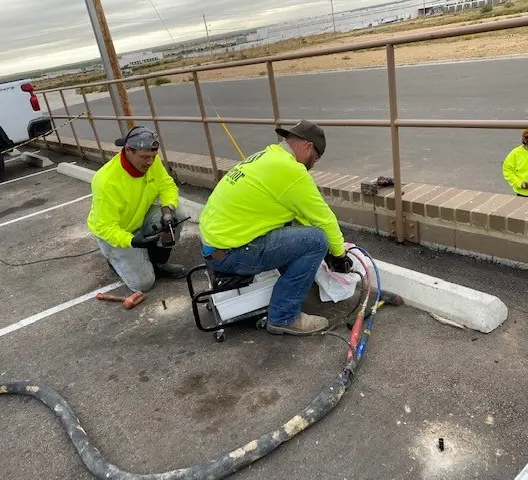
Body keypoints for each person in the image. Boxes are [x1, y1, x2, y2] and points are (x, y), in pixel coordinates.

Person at [198, 120, 353, 336]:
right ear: (308, 146)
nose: (313, 165)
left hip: (214, 244)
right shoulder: (291, 170)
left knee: (295, 227)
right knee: (317, 240)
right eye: (315, 158)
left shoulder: (267, 156)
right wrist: (339, 254)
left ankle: (289, 285)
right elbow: (323, 219)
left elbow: (301, 214)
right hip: (233, 253)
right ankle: (284, 316)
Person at [87, 126, 188, 292]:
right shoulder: (106, 181)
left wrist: (168, 211)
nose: (150, 162)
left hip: (140, 218)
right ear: (128, 150)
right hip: (117, 231)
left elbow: (167, 186)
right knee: (143, 284)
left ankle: (158, 263)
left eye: (153, 157)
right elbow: (105, 227)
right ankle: (114, 258)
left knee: (178, 214)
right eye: (144, 157)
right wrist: (132, 241)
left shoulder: (152, 162)